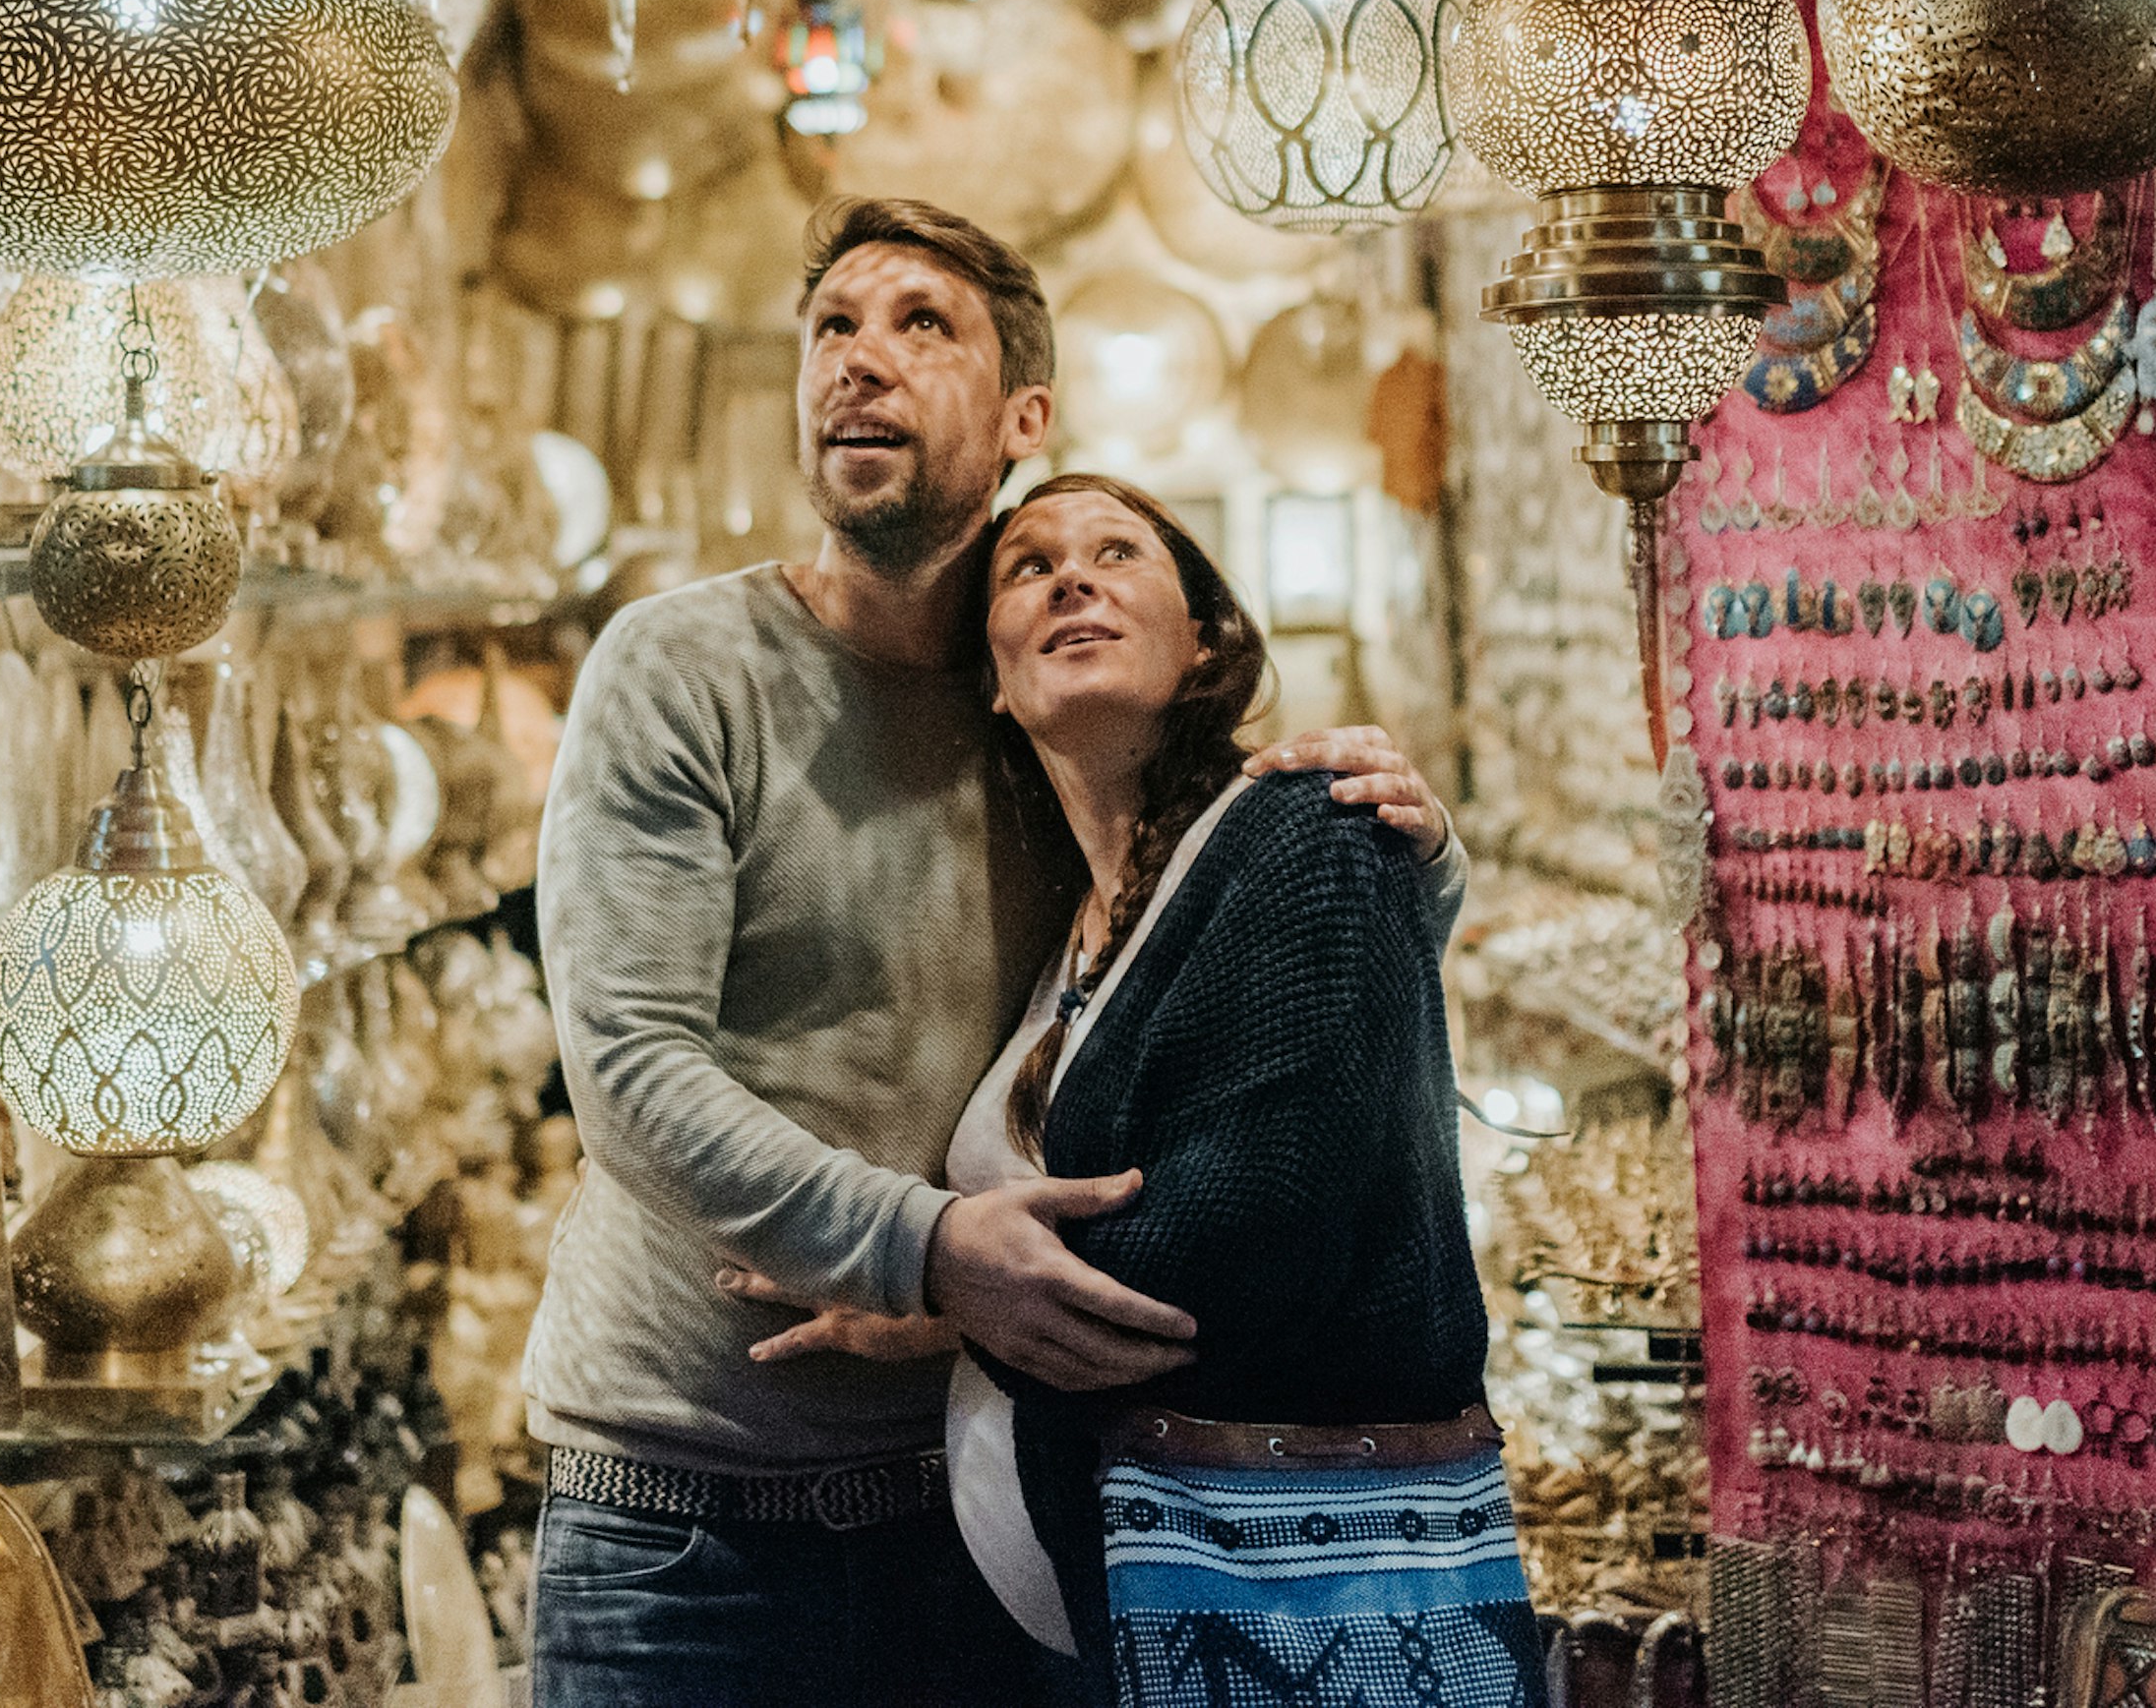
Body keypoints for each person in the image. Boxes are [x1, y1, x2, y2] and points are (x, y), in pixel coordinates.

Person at [523, 196, 1457, 1708]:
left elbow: (1235, 943)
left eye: (920, 326)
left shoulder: (1049, 698)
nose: (860, 362)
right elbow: (627, 1065)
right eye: (833, 328)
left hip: (983, 1510)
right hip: (683, 1524)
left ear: (1026, 409)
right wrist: (933, 1249)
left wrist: (1417, 848)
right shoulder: (683, 667)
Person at [741, 475, 1529, 1705]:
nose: (1071, 575)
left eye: (1118, 551)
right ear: (993, 679)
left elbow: (1248, 1238)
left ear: (1204, 636)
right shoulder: (1065, 920)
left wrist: (943, 1296)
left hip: (1293, 1615)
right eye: (1026, 566)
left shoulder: (1302, 827)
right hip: (1115, 1617)